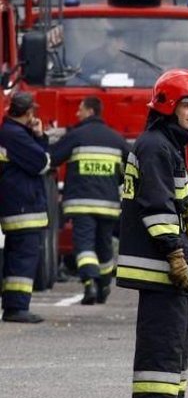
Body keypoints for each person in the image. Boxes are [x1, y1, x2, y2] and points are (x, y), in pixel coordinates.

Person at [116, 69, 188, 398]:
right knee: (164, 334)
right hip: (160, 263)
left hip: (169, 262)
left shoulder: (166, 143)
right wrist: (175, 254)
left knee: (175, 334)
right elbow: (157, 206)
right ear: (168, 104)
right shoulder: (156, 146)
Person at [50, 96, 129, 305]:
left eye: (80, 110)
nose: (77, 114)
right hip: (109, 205)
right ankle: (104, 285)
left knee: (84, 245)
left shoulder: (76, 136)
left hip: (81, 204)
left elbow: (52, 158)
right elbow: (132, 169)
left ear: (90, 111)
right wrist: (115, 180)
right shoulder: (116, 139)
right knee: (104, 246)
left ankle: (89, 284)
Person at [0, 92, 51, 323]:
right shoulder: (15, 135)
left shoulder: (13, 133)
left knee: (17, 256)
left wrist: (37, 135)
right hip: (23, 207)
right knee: (24, 258)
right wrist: (40, 137)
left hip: (18, 205)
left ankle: (14, 305)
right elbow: (41, 163)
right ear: (29, 113)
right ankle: (17, 307)